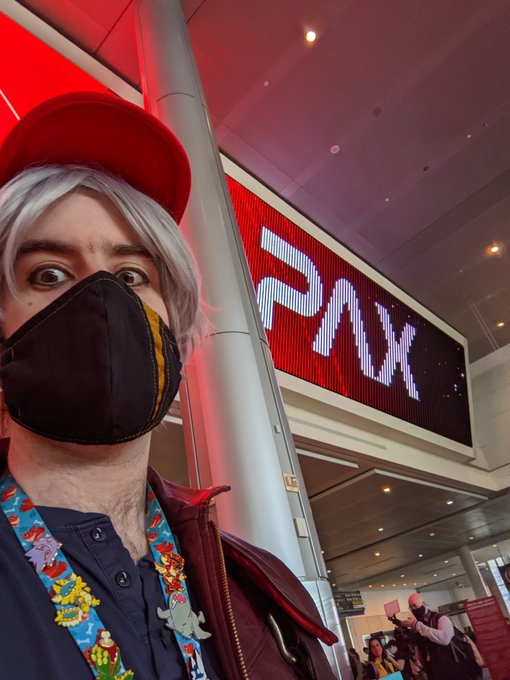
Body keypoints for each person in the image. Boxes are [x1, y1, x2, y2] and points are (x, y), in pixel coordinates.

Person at [0, 92, 338, 679]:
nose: (103, 304)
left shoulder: (257, 589)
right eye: (49, 273)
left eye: (132, 276)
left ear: (174, 329)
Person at [403, 592, 481, 680]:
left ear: (424, 603)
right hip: (436, 672)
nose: (414, 609)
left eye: (415, 605)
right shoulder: (418, 627)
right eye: (411, 607)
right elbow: (421, 653)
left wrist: (417, 625)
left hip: (456, 669)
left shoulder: (440, 618)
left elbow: (445, 639)